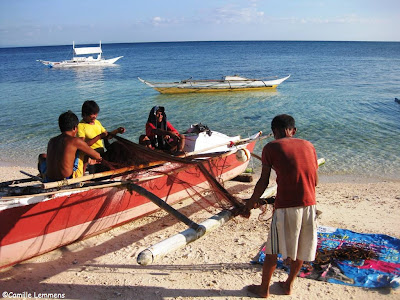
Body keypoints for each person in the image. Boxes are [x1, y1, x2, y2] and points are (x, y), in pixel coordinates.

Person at [245, 114, 319, 298]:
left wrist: (250, 202)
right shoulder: (309, 146)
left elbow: (263, 181)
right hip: (309, 203)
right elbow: (315, 180)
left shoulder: (271, 147)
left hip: (286, 206)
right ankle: (288, 286)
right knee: (301, 247)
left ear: (274, 132)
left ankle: (264, 290)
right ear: (293, 131)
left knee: (272, 250)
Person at [44, 111, 102, 182]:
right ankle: (81, 176)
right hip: (67, 179)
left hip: (49, 178)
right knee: (81, 152)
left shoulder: (51, 141)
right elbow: (97, 156)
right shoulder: (75, 141)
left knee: (43, 156)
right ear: (75, 128)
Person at [77, 100, 125, 173]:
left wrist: (117, 131)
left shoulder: (97, 122)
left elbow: (107, 136)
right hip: (91, 157)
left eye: (96, 113)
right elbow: (83, 145)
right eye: (92, 114)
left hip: (101, 155)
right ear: (85, 114)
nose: (95, 116)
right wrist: (99, 137)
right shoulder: (81, 126)